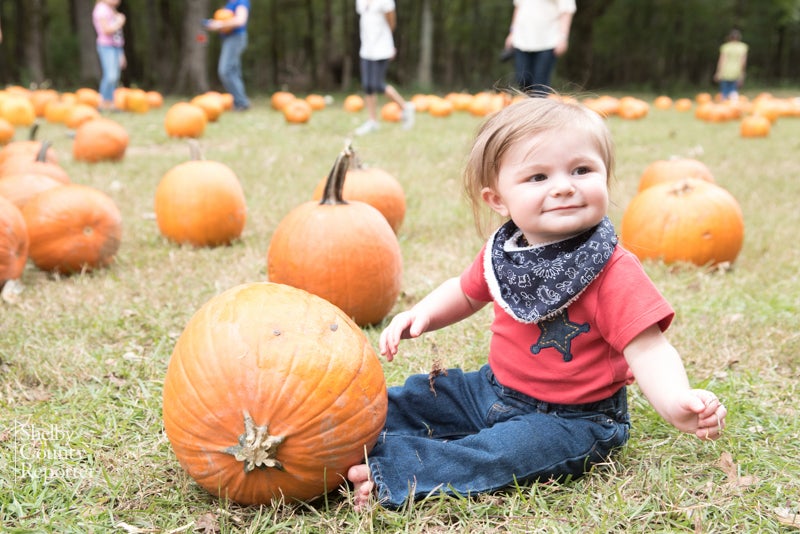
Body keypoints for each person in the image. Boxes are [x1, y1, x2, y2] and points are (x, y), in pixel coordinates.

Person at [347, 96, 728, 510]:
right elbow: (466, 290)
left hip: (575, 419)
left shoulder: (612, 268)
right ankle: (339, 433)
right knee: (420, 397)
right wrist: (422, 312)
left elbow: (650, 347)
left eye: (582, 170)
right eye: (538, 177)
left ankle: (399, 469)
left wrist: (675, 401)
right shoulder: (505, 252)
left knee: (505, 452)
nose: (564, 185)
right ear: (498, 199)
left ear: (606, 176)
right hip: (491, 390)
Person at [354, 0, 414, 135]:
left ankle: (405, 107)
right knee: (367, 86)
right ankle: (372, 121)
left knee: (377, 84)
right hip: (366, 48)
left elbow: (391, 22)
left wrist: (389, 44)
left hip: (382, 48)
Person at [504, 0, 575, 96]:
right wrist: (512, 33)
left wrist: (563, 37)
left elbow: (566, 11)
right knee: (522, 78)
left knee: (540, 84)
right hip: (521, 39)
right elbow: (518, 7)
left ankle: (539, 107)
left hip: (548, 41)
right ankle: (529, 106)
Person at [205, 1, 251, 111]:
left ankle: (241, 102)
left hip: (236, 38)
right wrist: (214, 24)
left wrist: (219, 24)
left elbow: (240, 20)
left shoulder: (241, 1)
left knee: (225, 70)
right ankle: (239, 103)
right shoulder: (229, 3)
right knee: (234, 71)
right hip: (228, 39)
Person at [92, 0, 126, 111]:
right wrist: (119, 22)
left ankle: (110, 103)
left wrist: (121, 53)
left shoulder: (111, 9)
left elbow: (118, 36)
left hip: (116, 46)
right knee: (110, 75)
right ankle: (103, 102)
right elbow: (106, 30)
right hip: (106, 46)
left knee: (115, 76)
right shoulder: (101, 9)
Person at [714, 29, 748, 102]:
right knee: (733, 90)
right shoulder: (743, 47)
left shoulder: (725, 47)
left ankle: (724, 105)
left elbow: (722, 60)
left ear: (729, 37)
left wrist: (718, 72)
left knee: (724, 90)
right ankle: (733, 106)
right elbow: (743, 61)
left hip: (725, 71)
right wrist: (742, 72)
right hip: (737, 70)